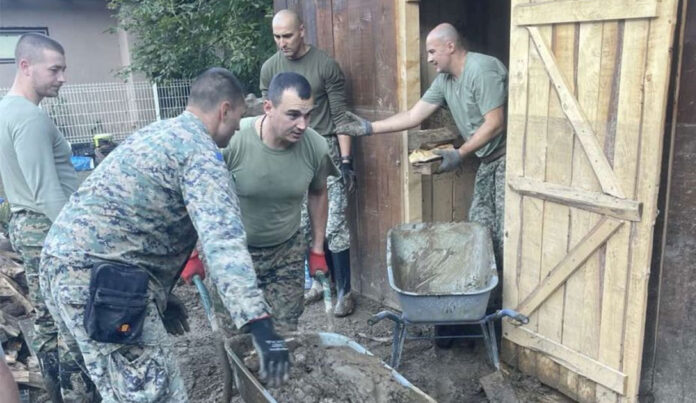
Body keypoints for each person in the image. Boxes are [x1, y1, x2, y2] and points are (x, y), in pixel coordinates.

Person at [39, 68, 290, 402]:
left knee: (108, 384)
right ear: (225, 110)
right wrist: (259, 324)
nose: (236, 129)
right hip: (103, 284)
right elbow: (223, 244)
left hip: (61, 266)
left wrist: (157, 294)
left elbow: (130, 219)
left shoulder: (159, 134)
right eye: (239, 118)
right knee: (155, 392)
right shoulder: (202, 155)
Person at [336, 23, 508, 346]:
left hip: (509, 159)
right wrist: (369, 128)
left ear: (450, 47)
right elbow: (414, 115)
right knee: (481, 233)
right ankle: (476, 313)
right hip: (487, 161)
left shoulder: (481, 69)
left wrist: (458, 153)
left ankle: (498, 318)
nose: (428, 58)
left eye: (432, 51)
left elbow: (495, 123)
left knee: (502, 237)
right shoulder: (445, 81)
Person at [183, 72, 338, 334]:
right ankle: (240, 373)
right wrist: (190, 253)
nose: (302, 124)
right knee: (237, 334)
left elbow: (318, 192)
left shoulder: (315, 147)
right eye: (293, 115)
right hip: (236, 254)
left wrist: (317, 250)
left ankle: (278, 375)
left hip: (286, 253)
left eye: (308, 115)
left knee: (284, 336)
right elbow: (193, 195)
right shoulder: (232, 141)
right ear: (268, 108)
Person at [0, 33, 89, 401]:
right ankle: (79, 393)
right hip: (49, 226)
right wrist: (82, 239)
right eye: (54, 69)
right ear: (25, 66)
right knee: (70, 319)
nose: (62, 77)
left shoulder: (5, 111)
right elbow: (46, 190)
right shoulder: (30, 119)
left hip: (28, 225)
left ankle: (55, 393)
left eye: (63, 69)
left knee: (48, 319)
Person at [260, 9, 356, 316]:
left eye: (287, 35)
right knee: (298, 224)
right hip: (289, 150)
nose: (282, 43)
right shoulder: (270, 69)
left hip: (325, 147)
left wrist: (346, 159)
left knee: (334, 223)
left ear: (302, 31)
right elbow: (269, 118)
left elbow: (341, 116)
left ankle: (345, 291)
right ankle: (317, 283)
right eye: (276, 36)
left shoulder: (325, 65)